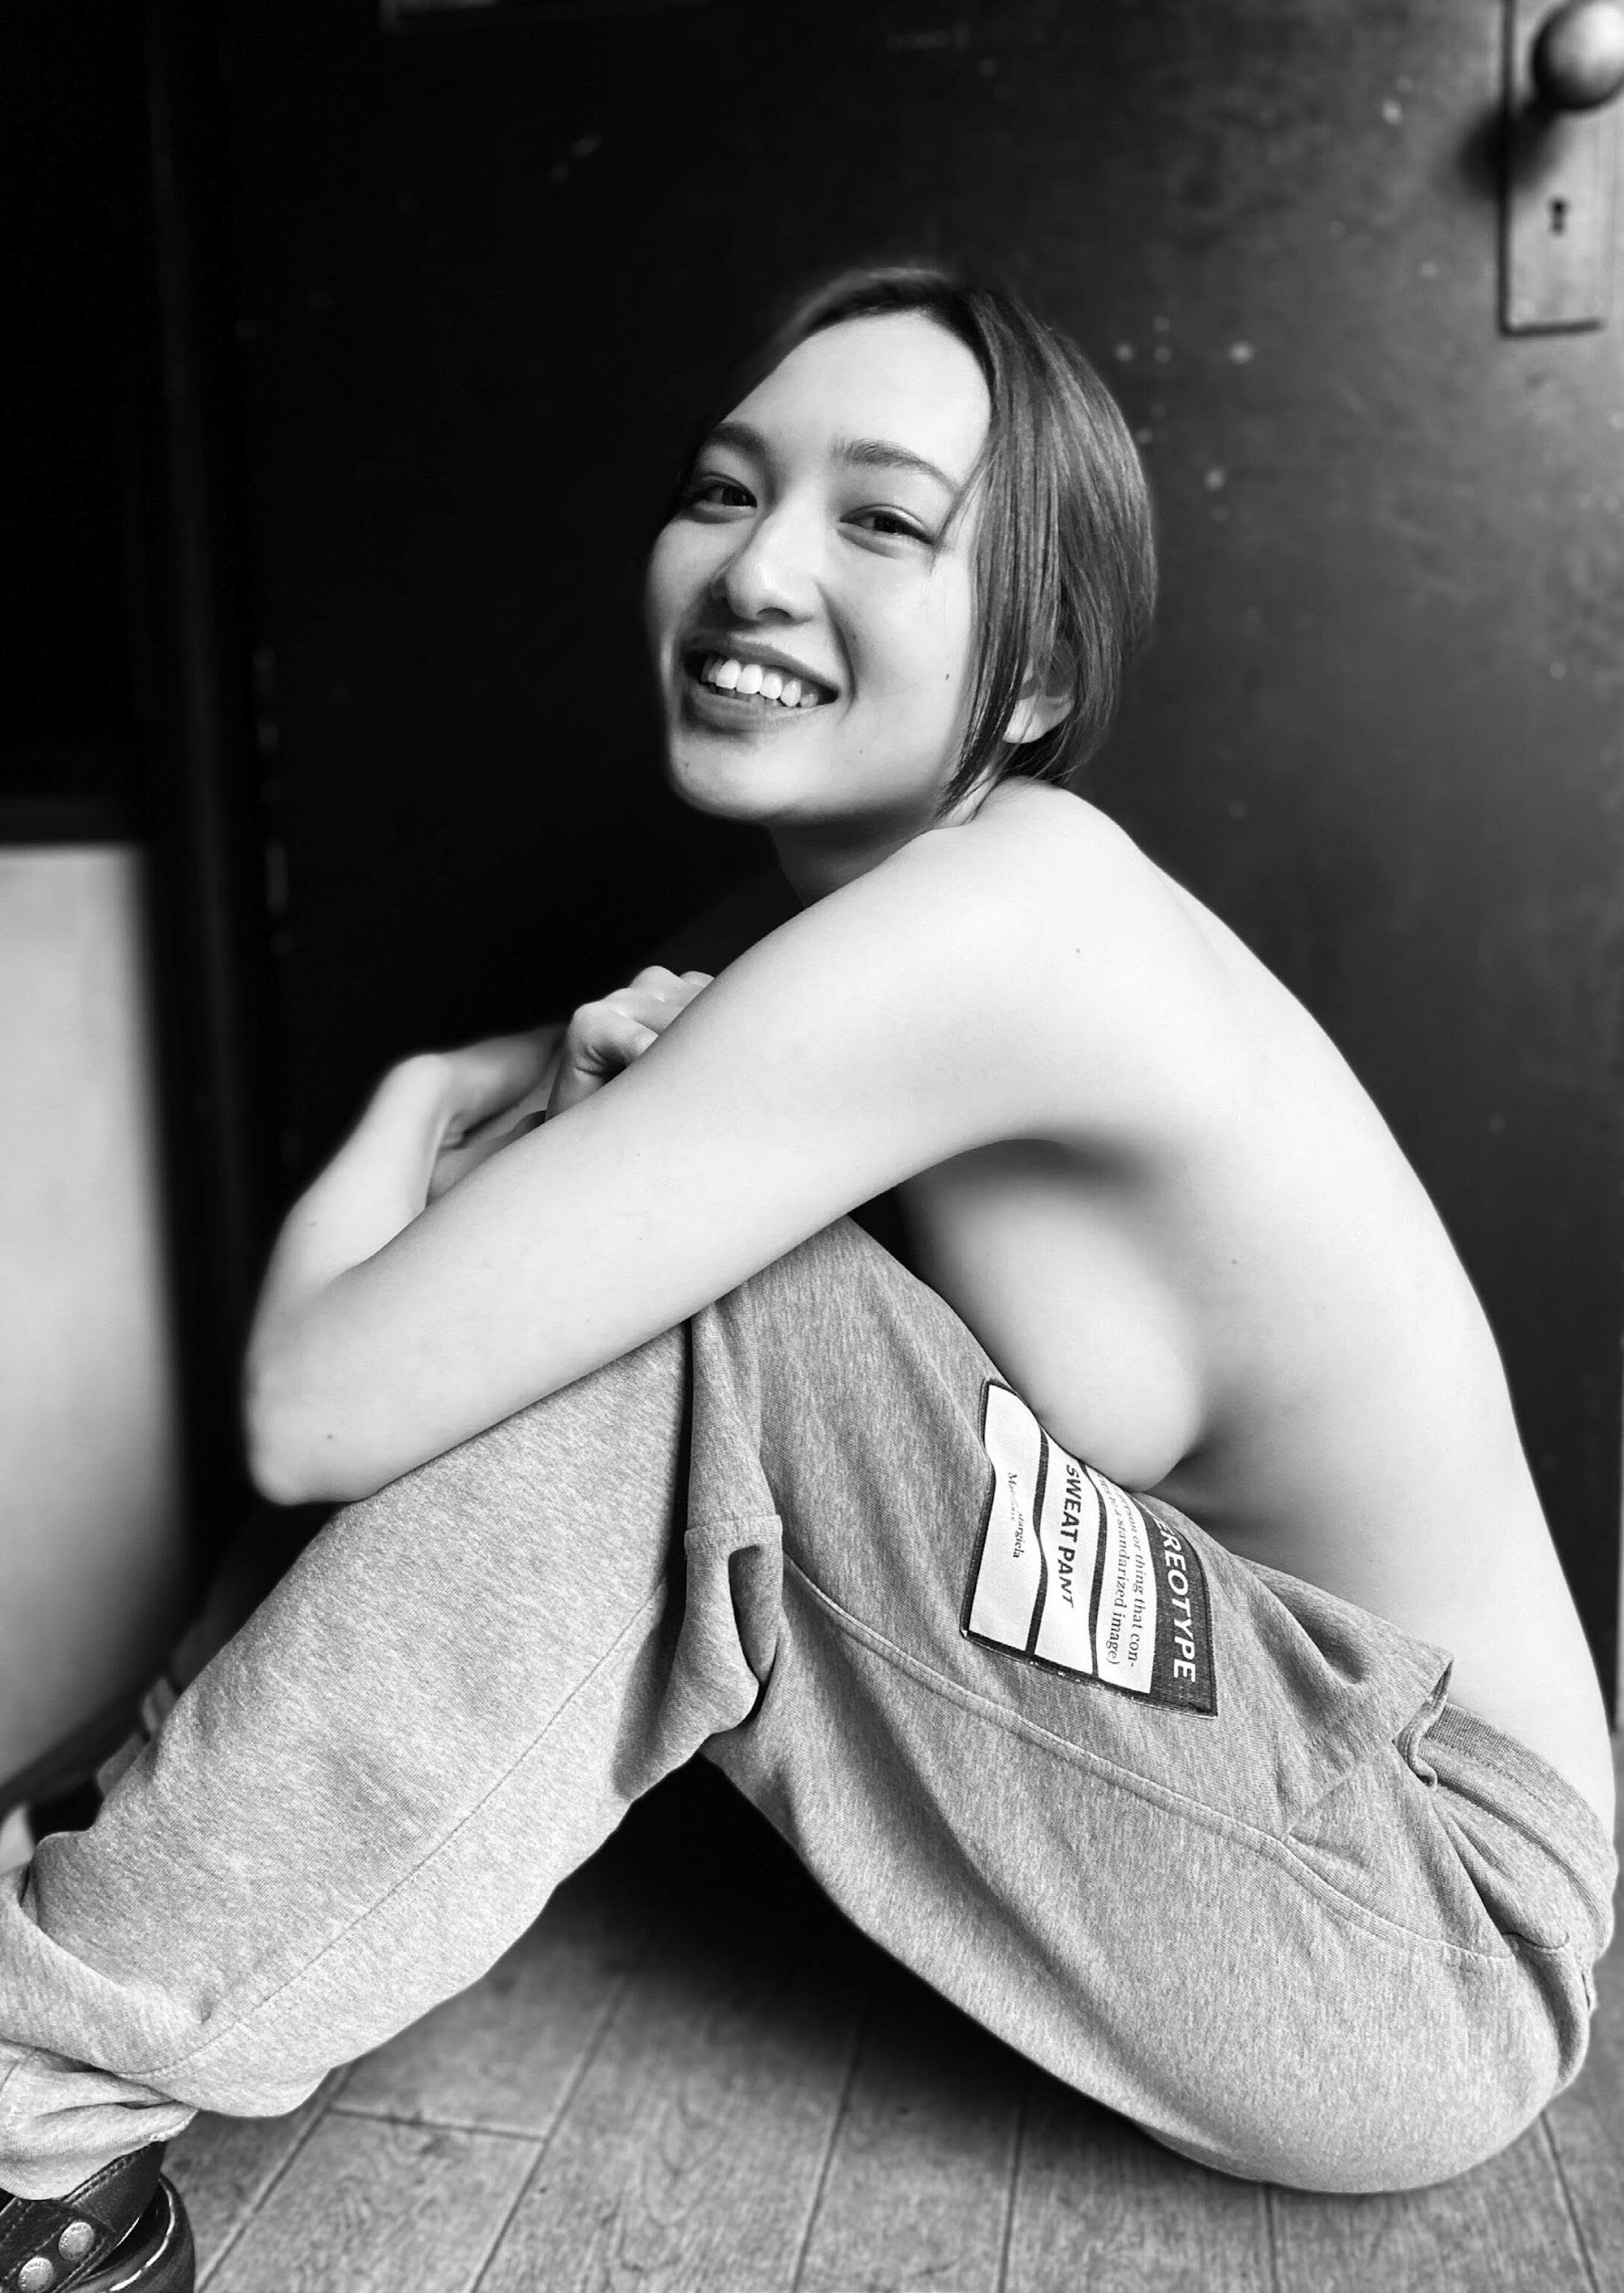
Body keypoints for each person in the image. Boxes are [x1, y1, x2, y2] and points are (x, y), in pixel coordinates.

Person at [0, 265, 1615, 2276]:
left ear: (1035, 673)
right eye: (723, 489)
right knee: (587, 1253)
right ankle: (94, 1876)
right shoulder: (805, 946)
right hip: (1241, 1805)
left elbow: (309, 1402)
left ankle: (28, 2091)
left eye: (882, 519)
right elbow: (425, 1349)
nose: (758, 569)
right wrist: (508, 1120)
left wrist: (424, 1089)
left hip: (1427, 1910)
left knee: (694, 1289)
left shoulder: (1009, 917)